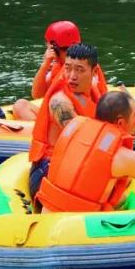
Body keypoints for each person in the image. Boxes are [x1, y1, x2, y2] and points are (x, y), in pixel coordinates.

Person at [27, 43, 108, 200]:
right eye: (68, 68)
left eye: (79, 70)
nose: (72, 76)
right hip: (48, 168)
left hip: (76, 165)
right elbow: (81, 143)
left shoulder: (93, 90)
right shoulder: (60, 102)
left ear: (94, 71)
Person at [11, 21, 91, 121]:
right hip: (60, 115)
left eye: (48, 45)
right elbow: (37, 94)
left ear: (54, 48)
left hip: (75, 118)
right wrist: (45, 65)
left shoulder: (78, 69)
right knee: (20, 105)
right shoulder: (59, 67)